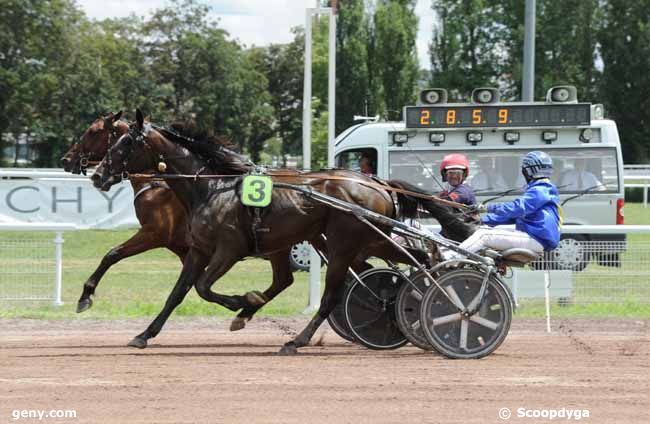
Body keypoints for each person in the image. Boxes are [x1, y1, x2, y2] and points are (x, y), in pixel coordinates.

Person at [445, 151, 562, 259]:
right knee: (486, 229)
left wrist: (487, 208)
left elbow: (516, 208)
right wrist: (482, 220)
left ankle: (451, 258)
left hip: (537, 238)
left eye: (524, 171)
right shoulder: (544, 188)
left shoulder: (540, 190)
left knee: (483, 235)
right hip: (535, 235)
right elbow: (512, 217)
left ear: (528, 171)